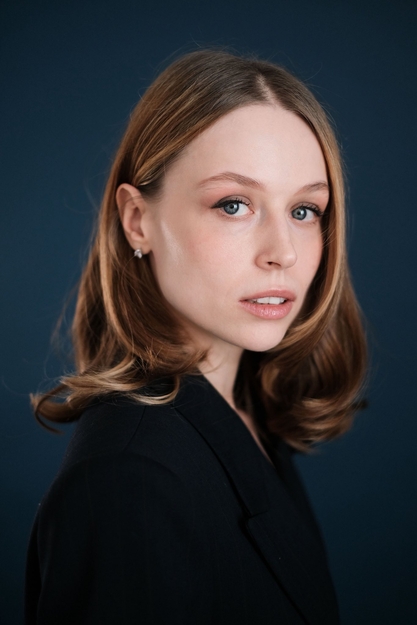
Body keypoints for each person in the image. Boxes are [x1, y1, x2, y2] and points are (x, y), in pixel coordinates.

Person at [25, 49, 367, 624]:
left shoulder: (247, 415)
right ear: (138, 221)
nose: (282, 252)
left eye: (305, 210)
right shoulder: (128, 480)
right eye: (234, 205)